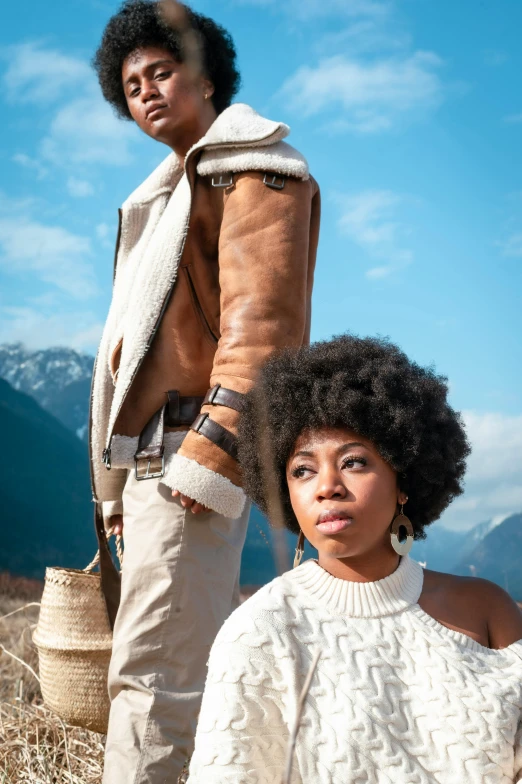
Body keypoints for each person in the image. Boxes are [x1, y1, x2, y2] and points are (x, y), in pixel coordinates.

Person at [89, 1, 320, 781]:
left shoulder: (256, 168)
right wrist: (116, 490)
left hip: (189, 457)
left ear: (206, 75)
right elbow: (130, 357)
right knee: (163, 673)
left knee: (155, 682)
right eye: (131, 83)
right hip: (152, 462)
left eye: (163, 70)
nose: (147, 90)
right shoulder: (162, 198)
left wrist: (211, 453)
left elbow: (263, 329)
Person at [188, 335, 522, 784]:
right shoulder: (259, 632)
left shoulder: (487, 610)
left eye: (354, 462)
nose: (327, 486)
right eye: (302, 470)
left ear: (404, 480)